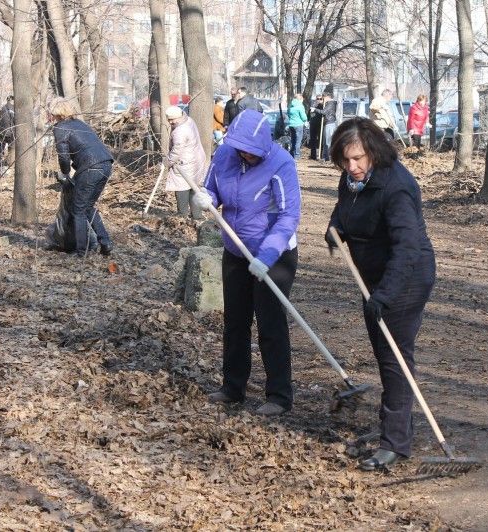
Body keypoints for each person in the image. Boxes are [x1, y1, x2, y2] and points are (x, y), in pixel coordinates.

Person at [324, 117, 436, 471]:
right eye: (345, 160)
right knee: (384, 355)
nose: (351, 166)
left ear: (373, 152)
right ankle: (395, 427)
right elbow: (344, 209)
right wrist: (335, 228)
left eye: (358, 158)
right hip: (371, 279)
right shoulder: (352, 180)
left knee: (395, 358)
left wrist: (385, 294)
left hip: (405, 279)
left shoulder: (397, 187)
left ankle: (395, 443)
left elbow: (407, 248)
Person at [192, 109, 301, 416]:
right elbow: (212, 187)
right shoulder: (225, 155)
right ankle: (232, 387)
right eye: (241, 149)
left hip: (274, 254)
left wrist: (266, 257)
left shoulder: (281, 163)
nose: (245, 155)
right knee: (235, 321)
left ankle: (279, 395)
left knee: (270, 323)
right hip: (236, 251)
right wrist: (207, 198)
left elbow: (288, 216)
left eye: (251, 151)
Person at [49, 95, 115, 257]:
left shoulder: (60, 128)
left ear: (56, 113)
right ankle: (105, 243)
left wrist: (65, 173)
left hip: (90, 167)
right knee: (88, 207)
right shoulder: (79, 123)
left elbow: (63, 156)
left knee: (78, 209)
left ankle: (81, 252)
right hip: (106, 164)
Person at [164, 105, 207, 220]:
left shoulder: (180, 131)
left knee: (181, 187)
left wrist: (167, 162)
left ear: (178, 116)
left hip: (185, 162)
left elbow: (176, 151)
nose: (170, 122)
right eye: (169, 119)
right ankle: (197, 216)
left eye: (172, 119)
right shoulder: (188, 120)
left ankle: (182, 215)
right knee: (194, 186)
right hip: (196, 159)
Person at [315, 92, 337, 161]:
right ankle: (325, 157)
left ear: (327, 97)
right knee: (325, 141)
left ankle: (329, 157)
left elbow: (324, 112)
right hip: (327, 123)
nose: (323, 99)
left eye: (323, 98)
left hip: (330, 123)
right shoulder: (328, 103)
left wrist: (315, 109)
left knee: (328, 141)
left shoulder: (331, 103)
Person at [0, 95, 15, 174]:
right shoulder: (13, 109)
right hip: (11, 132)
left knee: (0, 150)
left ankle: (0, 167)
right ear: (12, 100)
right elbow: (14, 120)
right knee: (12, 149)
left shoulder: (2, 108)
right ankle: (9, 166)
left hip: (1, 132)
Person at [287, 93, 308, 158]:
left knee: (293, 140)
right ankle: (297, 155)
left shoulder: (290, 105)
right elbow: (304, 117)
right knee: (298, 140)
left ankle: (291, 153)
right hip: (298, 125)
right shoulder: (300, 106)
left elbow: (288, 113)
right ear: (300, 99)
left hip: (291, 124)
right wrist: (305, 120)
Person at [309, 95, 324, 160]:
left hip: (320, 124)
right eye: (318, 98)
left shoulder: (323, 106)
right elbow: (309, 113)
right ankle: (313, 156)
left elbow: (324, 113)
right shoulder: (313, 105)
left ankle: (321, 155)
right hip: (313, 124)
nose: (319, 100)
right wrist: (308, 120)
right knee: (313, 140)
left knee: (321, 140)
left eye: (320, 99)